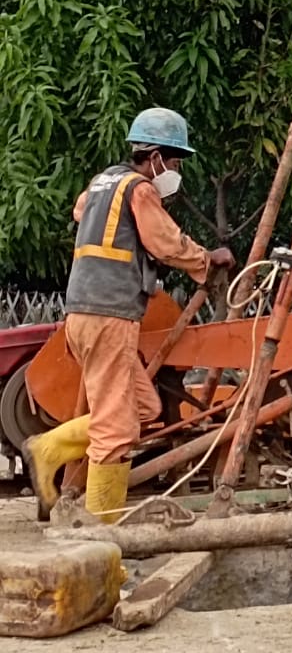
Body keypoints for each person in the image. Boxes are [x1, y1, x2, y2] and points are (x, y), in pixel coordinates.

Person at [23, 107, 234, 523]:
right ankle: (102, 530)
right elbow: (165, 242)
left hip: (82, 314)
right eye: (174, 161)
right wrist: (207, 260)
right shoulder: (139, 189)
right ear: (154, 156)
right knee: (116, 430)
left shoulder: (102, 184)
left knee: (142, 408)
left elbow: (81, 212)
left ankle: (48, 448)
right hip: (110, 315)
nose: (175, 170)